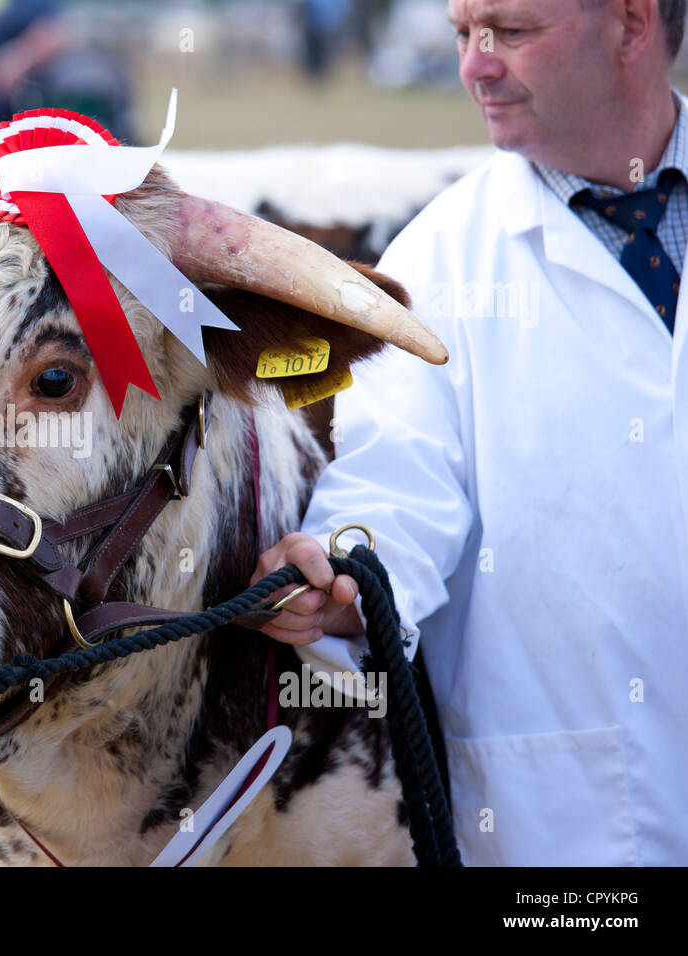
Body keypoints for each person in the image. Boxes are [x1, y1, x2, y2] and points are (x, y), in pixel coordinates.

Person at [255, 0, 688, 866]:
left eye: (511, 31)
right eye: (461, 33)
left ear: (632, 23)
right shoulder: (437, 265)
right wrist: (341, 574)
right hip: (576, 843)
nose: (474, 66)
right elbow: (395, 493)